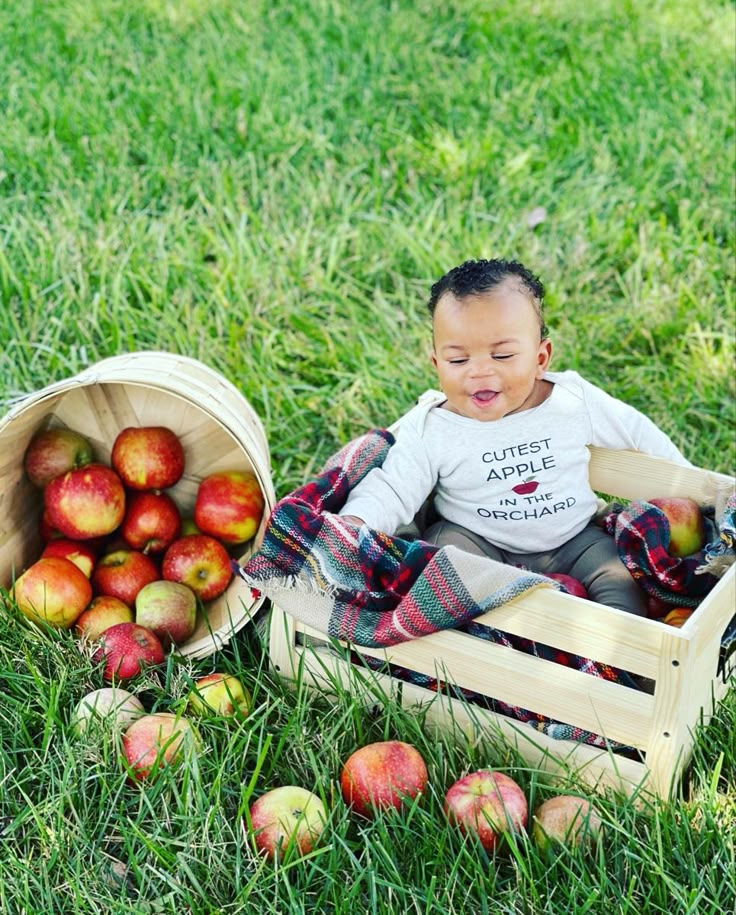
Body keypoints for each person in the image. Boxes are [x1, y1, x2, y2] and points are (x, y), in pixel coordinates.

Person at [339, 257, 693, 616]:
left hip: (573, 540)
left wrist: (694, 489)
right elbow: (393, 488)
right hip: (478, 543)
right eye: (458, 361)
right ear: (436, 365)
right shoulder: (433, 427)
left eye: (503, 355)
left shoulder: (571, 401)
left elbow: (639, 434)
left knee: (620, 579)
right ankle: (491, 642)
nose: (478, 372)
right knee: (441, 566)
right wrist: (354, 524)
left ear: (541, 358)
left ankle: (614, 653)